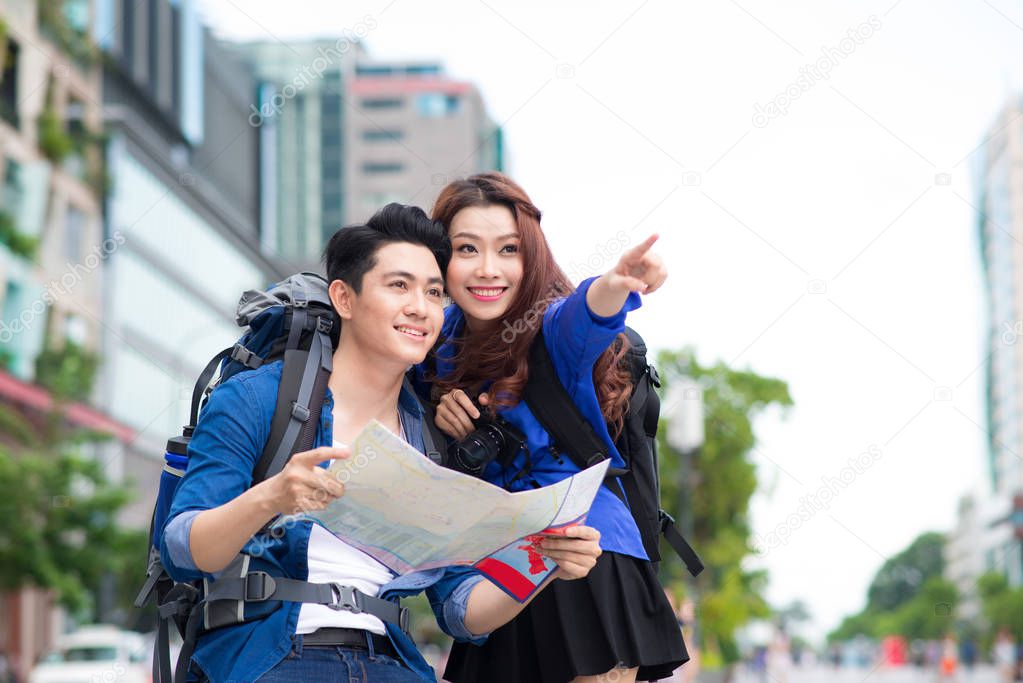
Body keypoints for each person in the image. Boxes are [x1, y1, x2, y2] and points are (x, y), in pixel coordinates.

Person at [159, 204, 602, 683]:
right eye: (399, 286)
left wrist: (544, 566)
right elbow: (183, 549)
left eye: (434, 293)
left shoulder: (429, 438)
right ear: (344, 299)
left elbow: (459, 609)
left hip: (391, 662)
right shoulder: (259, 397)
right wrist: (273, 495)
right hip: (266, 657)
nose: (420, 307)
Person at [419, 173, 688, 683]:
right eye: (467, 249)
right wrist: (439, 406)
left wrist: (618, 282)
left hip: (584, 551)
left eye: (508, 249)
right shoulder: (434, 347)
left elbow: (588, 315)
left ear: (532, 257)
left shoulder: (548, 328)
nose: (487, 269)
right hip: (496, 571)